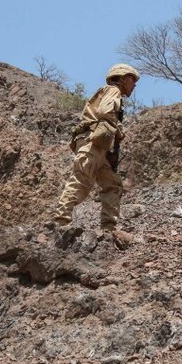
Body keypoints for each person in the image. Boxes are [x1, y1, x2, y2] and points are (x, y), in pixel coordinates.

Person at [51, 63, 139, 248]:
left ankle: (109, 228)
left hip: (99, 148)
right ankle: (60, 223)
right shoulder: (113, 91)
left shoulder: (111, 93)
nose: (135, 84)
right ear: (122, 78)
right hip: (93, 144)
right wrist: (118, 131)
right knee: (82, 179)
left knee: (113, 184)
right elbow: (105, 112)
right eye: (132, 79)